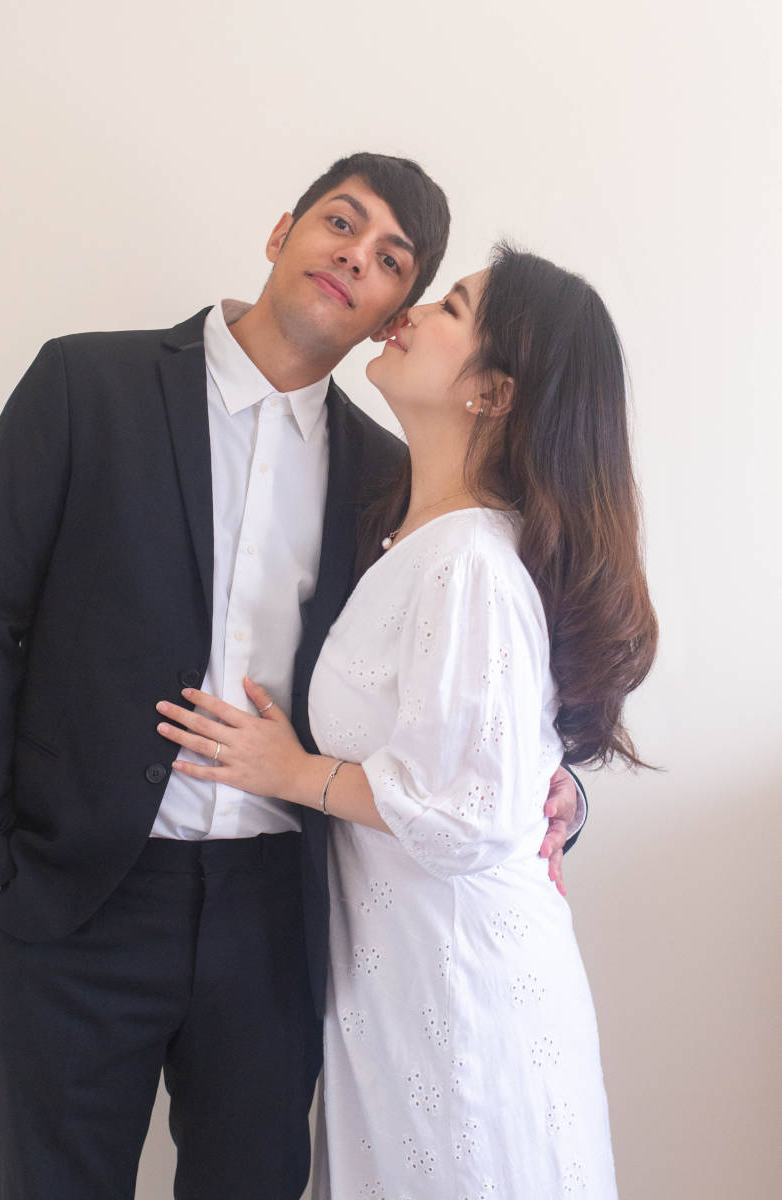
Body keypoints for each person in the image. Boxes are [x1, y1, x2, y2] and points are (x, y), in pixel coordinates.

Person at [0, 154, 580, 1200]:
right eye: (341, 223)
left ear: (392, 317)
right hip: (76, 904)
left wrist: (559, 782)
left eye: (391, 260)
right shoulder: (84, 385)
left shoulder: (393, 479)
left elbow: (482, 672)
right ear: (281, 233)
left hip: (281, 920)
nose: (354, 258)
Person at [154, 243, 657, 1197]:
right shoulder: (417, 536)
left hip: (460, 993)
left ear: (493, 394)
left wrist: (289, 770)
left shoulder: (469, 562)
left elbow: (472, 812)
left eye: (450, 307)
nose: (409, 312)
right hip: (405, 980)